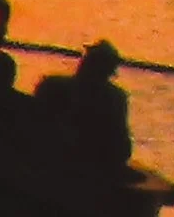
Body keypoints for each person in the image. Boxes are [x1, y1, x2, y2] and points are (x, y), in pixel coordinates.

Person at [33, 38, 133, 167]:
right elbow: (123, 146)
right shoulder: (117, 97)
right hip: (92, 161)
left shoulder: (52, 84)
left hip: (59, 158)